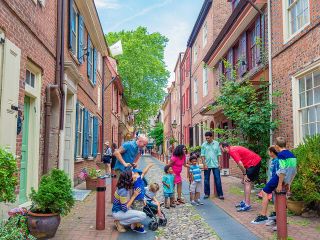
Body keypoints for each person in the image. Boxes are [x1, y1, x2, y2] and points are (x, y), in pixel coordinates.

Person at [251, 137, 297, 224]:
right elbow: (294, 171)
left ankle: (263, 215)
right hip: (286, 179)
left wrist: (280, 184)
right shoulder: (292, 155)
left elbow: (282, 170)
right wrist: (289, 183)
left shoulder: (281, 155)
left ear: (276, 146)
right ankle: (278, 217)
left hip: (279, 177)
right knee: (278, 196)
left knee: (264, 192)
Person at [220, 142, 262, 212]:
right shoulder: (232, 149)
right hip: (251, 163)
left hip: (254, 163)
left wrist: (245, 174)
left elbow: (240, 163)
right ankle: (245, 202)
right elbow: (243, 161)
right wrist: (244, 175)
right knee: (245, 182)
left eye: (221, 149)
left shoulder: (232, 151)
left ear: (225, 147)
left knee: (247, 182)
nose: (221, 151)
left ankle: (247, 205)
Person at [201, 131, 224, 200]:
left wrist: (220, 163)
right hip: (207, 164)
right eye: (206, 138)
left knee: (218, 179)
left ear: (211, 137)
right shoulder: (204, 145)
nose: (207, 139)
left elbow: (219, 154)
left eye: (208, 138)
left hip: (215, 164)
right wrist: (204, 164)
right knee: (206, 180)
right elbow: (202, 155)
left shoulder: (216, 144)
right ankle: (206, 194)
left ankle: (220, 194)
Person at [264, 146, 280, 226]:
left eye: (269, 151)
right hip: (272, 183)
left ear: (272, 152)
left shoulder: (277, 161)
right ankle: (275, 219)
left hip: (276, 184)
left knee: (277, 202)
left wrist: (277, 185)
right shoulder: (273, 160)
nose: (268, 153)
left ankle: (280, 222)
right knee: (274, 202)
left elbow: (278, 174)